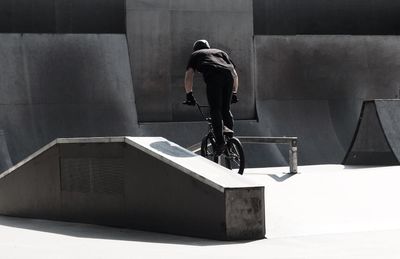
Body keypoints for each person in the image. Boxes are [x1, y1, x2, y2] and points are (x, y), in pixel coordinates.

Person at [183, 39, 239, 155]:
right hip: (228, 78)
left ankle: (220, 143)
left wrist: (189, 95)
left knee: (215, 109)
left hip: (214, 79)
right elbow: (234, 73)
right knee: (225, 109)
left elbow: (189, 75)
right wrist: (234, 92)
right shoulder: (220, 52)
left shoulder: (195, 55)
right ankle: (230, 139)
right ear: (208, 47)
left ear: (195, 49)